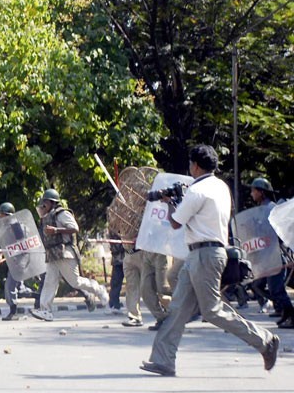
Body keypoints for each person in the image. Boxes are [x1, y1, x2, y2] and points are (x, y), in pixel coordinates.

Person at [141, 145, 280, 376]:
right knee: (177, 309)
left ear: (195, 165)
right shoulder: (219, 186)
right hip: (205, 253)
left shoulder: (197, 191)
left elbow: (175, 222)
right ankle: (163, 360)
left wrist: (167, 201)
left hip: (204, 254)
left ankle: (264, 341)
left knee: (212, 310)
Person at [30, 189, 108, 322]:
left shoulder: (62, 214)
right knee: (50, 282)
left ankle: (98, 288)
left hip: (65, 252)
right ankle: (45, 310)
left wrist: (56, 230)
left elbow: (75, 228)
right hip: (52, 254)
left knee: (75, 281)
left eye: (46, 202)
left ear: (52, 202)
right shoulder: (47, 216)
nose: (44, 205)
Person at [249, 177, 294, 328]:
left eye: (254, 190)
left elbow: (278, 233)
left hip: (275, 256)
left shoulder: (272, 209)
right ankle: (283, 312)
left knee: (276, 289)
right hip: (266, 256)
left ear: (261, 192)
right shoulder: (262, 208)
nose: (251, 194)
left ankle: (290, 315)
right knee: (261, 286)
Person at [0, 202, 37, 321]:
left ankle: (13, 312)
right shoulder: (5, 227)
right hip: (14, 260)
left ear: (8, 215)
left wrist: (11, 253)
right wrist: (0, 256)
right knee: (20, 289)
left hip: (21, 260)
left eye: (2, 215)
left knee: (9, 285)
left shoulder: (16, 227)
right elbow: (4, 244)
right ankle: (37, 296)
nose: (0, 217)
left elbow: (23, 245)